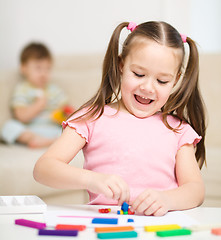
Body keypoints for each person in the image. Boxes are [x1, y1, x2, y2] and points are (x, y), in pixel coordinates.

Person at [33, 21, 206, 216]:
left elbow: (195, 190)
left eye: (162, 80)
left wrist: (167, 199)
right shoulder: (92, 117)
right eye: (139, 74)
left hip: (161, 228)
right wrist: (93, 179)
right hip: (106, 228)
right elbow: (43, 169)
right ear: (121, 65)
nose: (148, 87)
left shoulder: (178, 131)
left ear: (176, 79)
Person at [1, 42, 69, 148]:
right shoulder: (22, 89)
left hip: (52, 129)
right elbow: (21, 116)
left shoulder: (54, 90)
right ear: (23, 68)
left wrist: (68, 114)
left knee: (70, 131)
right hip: (31, 130)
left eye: (47, 68)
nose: (43, 73)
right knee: (9, 127)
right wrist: (38, 105)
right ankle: (37, 140)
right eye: (38, 68)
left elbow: (66, 109)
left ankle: (51, 141)